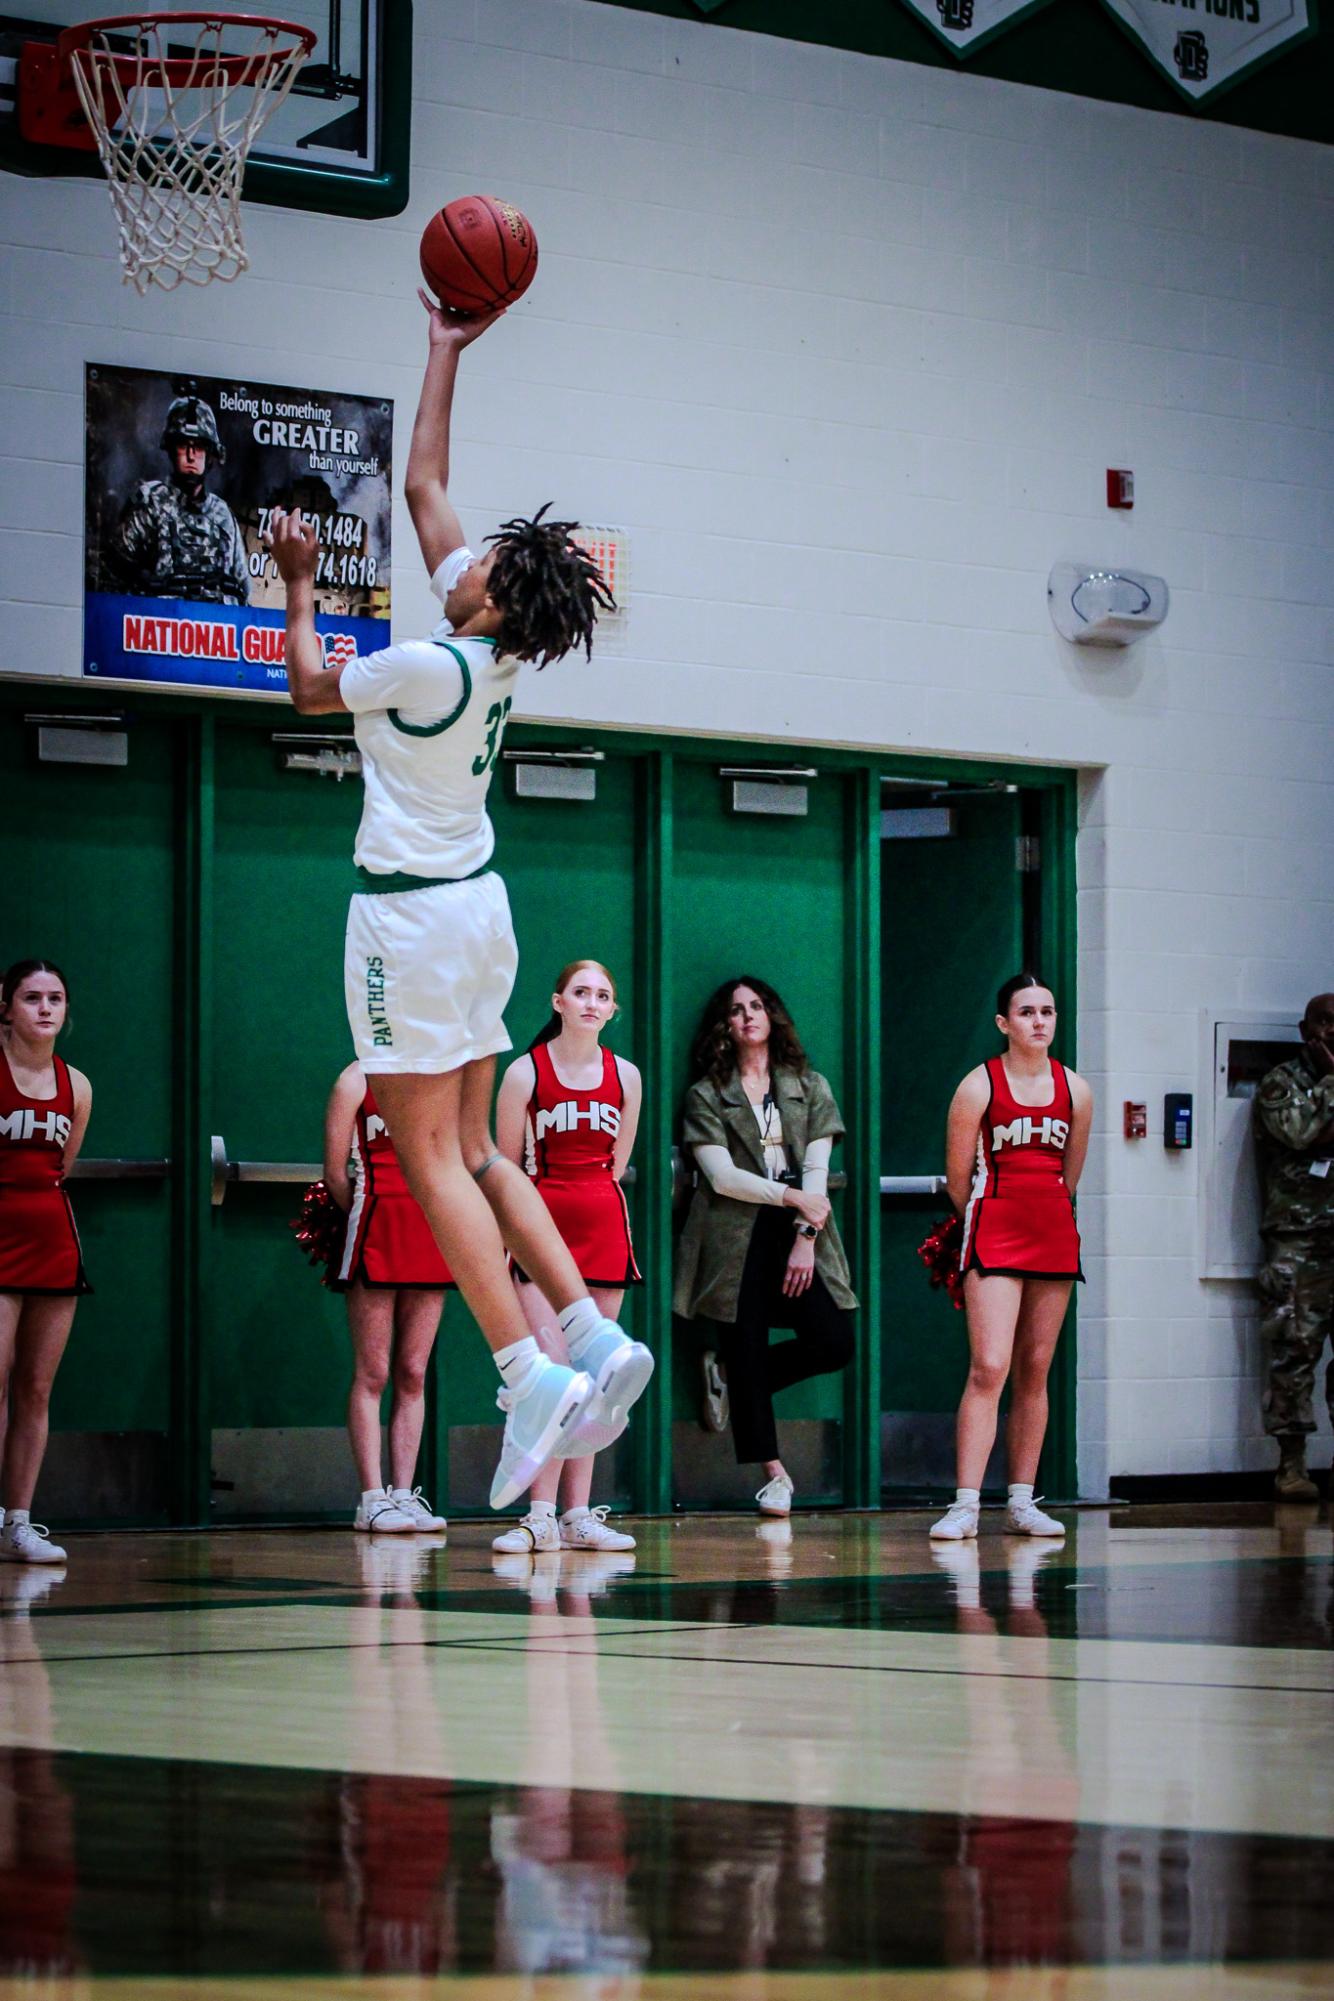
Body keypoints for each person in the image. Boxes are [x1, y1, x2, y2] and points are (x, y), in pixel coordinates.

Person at [267, 293, 652, 1513]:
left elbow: (309, 693)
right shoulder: (496, 649)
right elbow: (426, 483)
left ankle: (522, 1370)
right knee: (482, 1146)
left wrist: (298, 580)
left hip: (409, 920)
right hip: (480, 910)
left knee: (428, 1158)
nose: (461, 553)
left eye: (480, 560)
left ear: (488, 595)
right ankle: (587, 1332)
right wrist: (441, 351)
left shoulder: (425, 664)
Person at [673, 978, 856, 1519]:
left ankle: (728, 1375)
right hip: (732, 1234)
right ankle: (773, 1475)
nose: (748, 1016)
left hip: (797, 1229)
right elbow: (722, 1176)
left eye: (756, 1006)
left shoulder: (809, 1086)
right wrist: (789, 1194)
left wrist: (804, 1233)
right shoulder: (707, 1094)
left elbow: (818, 1171)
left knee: (833, 1342)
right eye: (736, 1010)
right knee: (746, 1340)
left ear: (773, 1015)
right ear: (723, 1026)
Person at [930, 972, 1092, 1542]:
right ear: (1004, 1023)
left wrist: (1047, 1208)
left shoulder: (1076, 1089)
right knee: (989, 1366)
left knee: (1036, 1369)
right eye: (1026, 1013)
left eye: (1047, 1012)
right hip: (995, 1227)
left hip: (1053, 1230)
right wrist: (990, 1211)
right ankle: (966, 1504)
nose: (1039, 1022)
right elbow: (957, 1179)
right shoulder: (978, 1086)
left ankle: (1022, 1501)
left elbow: (1069, 1174)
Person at [492, 961, 642, 1556]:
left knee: (602, 1377)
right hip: (541, 1228)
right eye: (580, 992)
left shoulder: (625, 1075)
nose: (590, 1002)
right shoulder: (523, 1074)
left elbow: (618, 1160)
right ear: (558, 1001)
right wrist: (511, 1241)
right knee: (554, 1374)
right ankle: (539, 1514)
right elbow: (501, 1168)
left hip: (604, 1223)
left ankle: (579, 1513)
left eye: (602, 995)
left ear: (612, 1011)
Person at [324, 1060, 451, 1535]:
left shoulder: (442, 1076)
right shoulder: (354, 1079)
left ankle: (404, 1493)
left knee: (414, 1370)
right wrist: (369, 1210)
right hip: (375, 1226)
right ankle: (371, 1499)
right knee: (373, 1370)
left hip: (430, 1231)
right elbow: (335, 1173)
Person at [0, 961, 92, 1566]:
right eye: (31, 998)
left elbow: (66, 1164)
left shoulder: (76, 1085)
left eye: (55, 998)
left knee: (36, 1386)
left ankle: (20, 1522)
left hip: (53, 1239)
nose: (44, 1009)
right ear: (6, 1006)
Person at [1253, 991, 1334, 1501]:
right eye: (1325, 1023)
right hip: (1299, 1239)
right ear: (1307, 1031)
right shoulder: (1282, 1083)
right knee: (1294, 1351)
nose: (1333, 1031)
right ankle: (1292, 1466)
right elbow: (1303, 1133)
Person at [110, 392, 249, 605]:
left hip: (215, 631)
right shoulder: (151, 504)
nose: (191, 456)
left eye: (199, 447)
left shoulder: (222, 516)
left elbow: (242, 588)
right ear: (172, 449)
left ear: (211, 453)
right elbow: (115, 574)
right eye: (184, 445)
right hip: (159, 627)